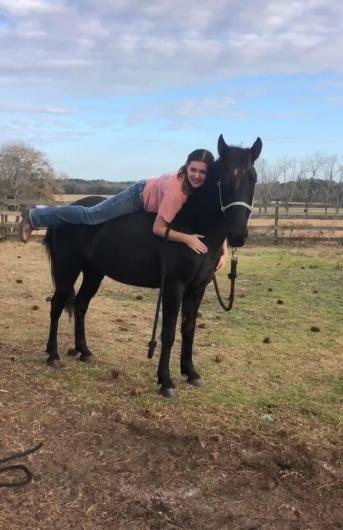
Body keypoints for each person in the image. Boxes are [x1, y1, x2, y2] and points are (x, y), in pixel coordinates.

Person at [19, 149, 228, 270]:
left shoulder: (199, 189)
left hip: (155, 194)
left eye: (202, 172)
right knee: (90, 215)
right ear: (186, 167)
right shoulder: (177, 192)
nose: (197, 175)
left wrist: (223, 249)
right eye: (193, 170)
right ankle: (34, 217)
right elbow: (158, 228)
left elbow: (211, 221)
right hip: (137, 196)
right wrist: (187, 239)